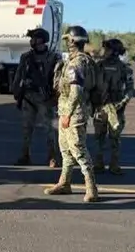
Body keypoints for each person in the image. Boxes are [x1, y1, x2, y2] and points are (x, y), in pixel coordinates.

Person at [44, 25, 100, 202]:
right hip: (69, 111)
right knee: (65, 150)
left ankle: (92, 188)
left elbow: (76, 91)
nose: (67, 43)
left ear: (73, 41)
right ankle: (64, 183)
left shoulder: (77, 63)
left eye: (68, 39)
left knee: (78, 150)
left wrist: (67, 114)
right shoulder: (84, 60)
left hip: (74, 112)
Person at [11, 28, 60, 168]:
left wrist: (55, 96)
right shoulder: (26, 57)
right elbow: (19, 76)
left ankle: (52, 157)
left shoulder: (53, 57)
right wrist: (17, 93)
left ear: (42, 40)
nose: (31, 41)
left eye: (34, 38)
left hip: (46, 98)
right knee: (26, 128)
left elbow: (59, 78)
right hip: (28, 97)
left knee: (49, 129)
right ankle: (25, 156)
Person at [92, 38, 134, 175]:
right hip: (100, 107)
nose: (104, 52)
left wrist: (121, 104)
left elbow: (129, 89)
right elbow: (91, 87)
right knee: (99, 138)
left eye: (107, 49)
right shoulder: (98, 66)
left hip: (116, 110)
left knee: (114, 139)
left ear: (114, 52)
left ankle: (114, 165)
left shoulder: (124, 68)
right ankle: (98, 164)